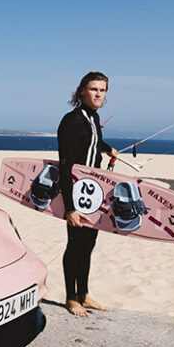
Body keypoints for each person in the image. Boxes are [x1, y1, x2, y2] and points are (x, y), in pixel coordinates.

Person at [58, 72, 119, 317]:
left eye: (102, 90)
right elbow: (65, 165)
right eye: (93, 89)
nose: (98, 94)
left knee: (88, 244)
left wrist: (108, 148)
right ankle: (71, 298)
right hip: (76, 193)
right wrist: (70, 208)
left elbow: (93, 140)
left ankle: (84, 294)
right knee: (74, 245)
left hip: (93, 193)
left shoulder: (93, 118)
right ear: (82, 90)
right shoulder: (72, 120)